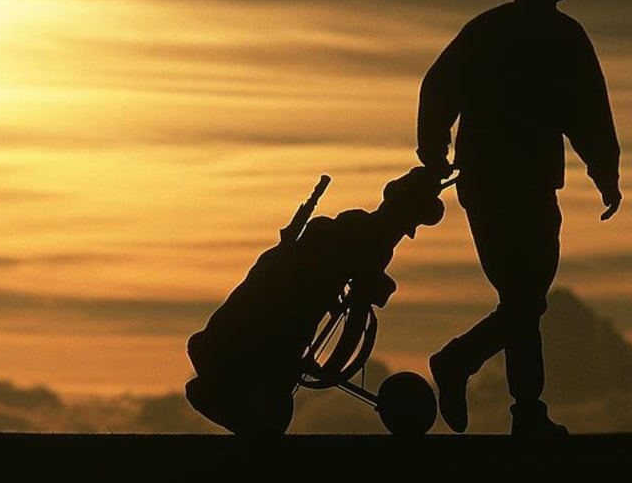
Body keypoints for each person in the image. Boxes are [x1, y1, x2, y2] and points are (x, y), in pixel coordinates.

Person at [416, 0, 622, 436]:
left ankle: (474, 372)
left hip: (535, 185)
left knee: (526, 299)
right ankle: (518, 404)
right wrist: (433, 151)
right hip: (488, 184)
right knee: (524, 296)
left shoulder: (567, 39)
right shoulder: (489, 31)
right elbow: (440, 85)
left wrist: (606, 173)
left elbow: (590, 113)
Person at [186, 166, 448, 435]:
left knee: (226, 359)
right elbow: (357, 315)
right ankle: (234, 400)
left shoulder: (358, 225)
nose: (408, 230)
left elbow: (357, 312)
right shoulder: (372, 242)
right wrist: (333, 369)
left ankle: (237, 400)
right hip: (282, 303)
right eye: (411, 223)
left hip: (280, 297)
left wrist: (333, 368)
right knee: (222, 356)